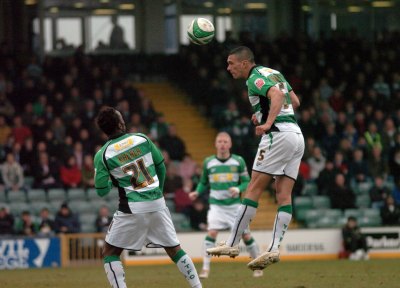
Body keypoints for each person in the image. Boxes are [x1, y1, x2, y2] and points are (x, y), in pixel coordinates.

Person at [206, 46, 304, 272]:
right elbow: (294, 102)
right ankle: (273, 248)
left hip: (277, 135)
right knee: (283, 194)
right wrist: (263, 111)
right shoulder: (275, 73)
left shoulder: (254, 78)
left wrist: (267, 122)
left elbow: (278, 96)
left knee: (253, 188)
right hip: (296, 136)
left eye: (231, 63)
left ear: (245, 62)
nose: (228, 67)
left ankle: (231, 244)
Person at [94, 106, 201, 288]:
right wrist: (158, 190)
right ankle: (197, 286)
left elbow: (101, 190)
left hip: (132, 207)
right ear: (121, 123)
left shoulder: (103, 154)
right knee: (175, 250)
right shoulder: (141, 139)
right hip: (157, 202)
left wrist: (114, 179)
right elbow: (160, 165)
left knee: (109, 252)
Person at [189, 132, 263, 278]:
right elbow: (204, 182)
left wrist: (238, 189)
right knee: (212, 233)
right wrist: (197, 192)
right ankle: (205, 269)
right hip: (216, 206)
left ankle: (258, 265)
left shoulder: (238, 161)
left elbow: (247, 182)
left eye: (225, 142)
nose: (222, 144)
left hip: (235, 206)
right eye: (220, 141)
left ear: (230, 144)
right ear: (216, 144)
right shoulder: (208, 162)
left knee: (246, 236)